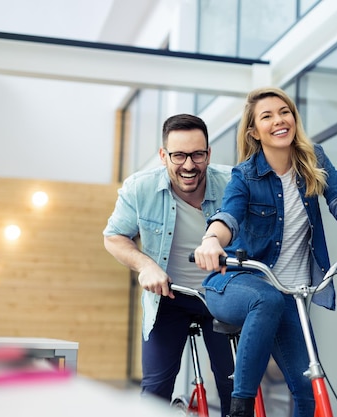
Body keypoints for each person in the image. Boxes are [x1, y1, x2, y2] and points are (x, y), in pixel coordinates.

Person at [193, 87, 337, 417]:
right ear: (254, 132)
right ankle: (240, 408)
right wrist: (211, 241)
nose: (279, 120)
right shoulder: (245, 175)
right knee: (266, 298)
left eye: (284, 111)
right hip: (234, 283)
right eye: (267, 116)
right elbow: (227, 216)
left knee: (308, 392)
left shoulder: (313, 158)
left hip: (288, 294)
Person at [103, 114, 234, 416]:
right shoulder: (140, 187)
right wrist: (145, 265)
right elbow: (113, 237)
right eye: (178, 155)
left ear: (208, 154)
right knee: (156, 390)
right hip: (168, 297)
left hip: (222, 294)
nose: (189, 165)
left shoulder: (232, 183)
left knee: (236, 386)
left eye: (197, 154)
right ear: (164, 155)